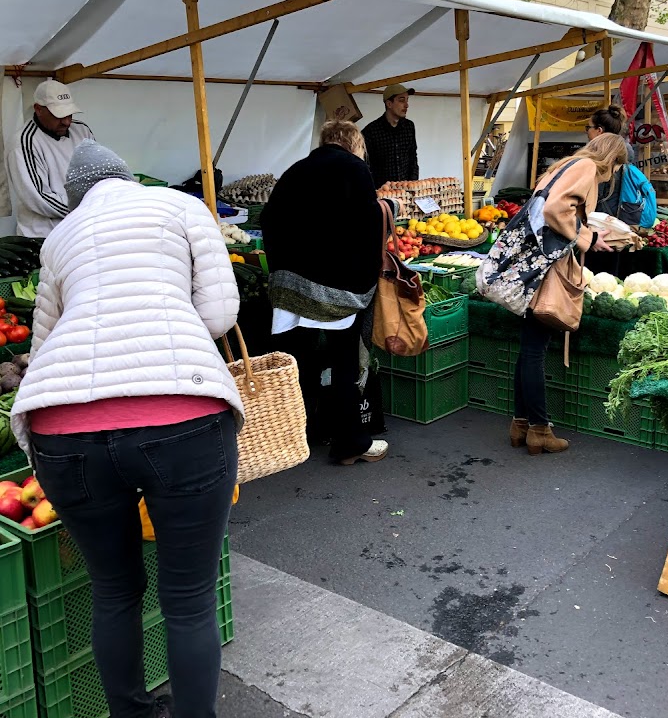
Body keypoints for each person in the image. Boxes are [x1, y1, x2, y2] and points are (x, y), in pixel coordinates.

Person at [11, 140, 243, 718]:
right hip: (181, 418)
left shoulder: (60, 238)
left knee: (114, 589)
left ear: (75, 198)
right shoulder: (180, 207)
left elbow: (41, 349)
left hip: (63, 432)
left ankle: (131, 714)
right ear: (125, 179)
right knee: (188, 600)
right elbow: (218, 315)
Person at [262, 120, 389, 465]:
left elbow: (268, 220)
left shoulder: (294, 171)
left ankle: (299, 433)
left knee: (299, 359)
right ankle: (350, 442)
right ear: (354, 144)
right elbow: (365, 229)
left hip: (290, 286)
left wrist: (282, 271)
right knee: (344, 361)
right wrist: (365, 284)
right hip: (336, 288)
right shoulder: (355, 169)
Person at [510, 133, 626, 456]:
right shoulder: (587, 168)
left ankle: (521, 424)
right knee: (535, 348)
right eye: (616, 167)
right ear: (612, 160)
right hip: (548, 266)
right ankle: (539, 429)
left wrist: (587, 236)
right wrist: (584, 238)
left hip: (531, 262)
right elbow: (555, 209)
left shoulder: (567, 164)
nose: (613, 175)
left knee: (527, 347)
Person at [5, 80, 93, 237]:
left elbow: (94, 173)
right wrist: (87, 207)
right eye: (58, 115)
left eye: (69, 114)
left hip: (79, 229)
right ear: (38, 109)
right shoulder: (23, 142)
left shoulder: (82, 131)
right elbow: (39, 198)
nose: (66, 121)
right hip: (44, 236)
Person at [362, 84, 419, 187]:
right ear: (389, 103)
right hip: (381, 194)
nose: (406, 105)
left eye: (407, 100)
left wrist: (413, 184)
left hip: (406, 192)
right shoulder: (371, 131)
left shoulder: (409, 127)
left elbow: (412, 158)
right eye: (402, 100)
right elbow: (365, 166)